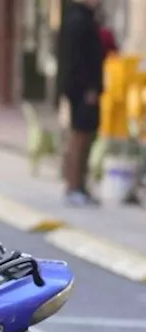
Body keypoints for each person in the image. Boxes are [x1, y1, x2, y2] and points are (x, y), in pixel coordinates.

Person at [59, 0, 107, 207]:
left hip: (79, 89)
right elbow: (80, 59)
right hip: (83, 91)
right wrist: (89, 88)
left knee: (82, 137)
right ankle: (74, 185)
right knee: (80, 138)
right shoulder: (79, 21)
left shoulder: (78, 18)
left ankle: (78, 185)